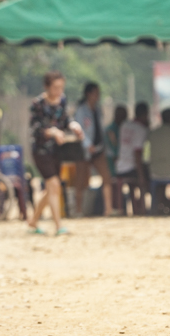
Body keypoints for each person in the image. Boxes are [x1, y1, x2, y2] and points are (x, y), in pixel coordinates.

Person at [27, 71, 82, 235]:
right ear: (47, 87)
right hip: (41, 151)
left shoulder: (62, 100)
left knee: (52, 187)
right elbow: (35, 128)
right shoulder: (37, 104)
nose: (59, 91)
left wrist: (74, 126)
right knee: (54, 185)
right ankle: (59, 227)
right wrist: (52, 132)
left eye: (61, 87)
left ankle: (33, 221)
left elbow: (66, 119)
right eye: (56, 87)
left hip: (57, 151)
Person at [72, 82, 114, 217]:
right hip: (83, 150)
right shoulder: (81, 110)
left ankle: (108, 209)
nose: (97, 96)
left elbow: (100, 128)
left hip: (98, 149)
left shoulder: (98, 109)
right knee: (80, 180)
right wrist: (87, 144)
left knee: (106, 177)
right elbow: (80, 129)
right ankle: (78, 210)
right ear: (88, 94)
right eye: (95, 93)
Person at [115, 102, 150, 216]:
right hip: (131, 167)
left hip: (120, 167)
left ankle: (136, 208)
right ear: (146, 115)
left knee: (133, 185)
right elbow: (137, 155)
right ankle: (143, 209)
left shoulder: (125, 125)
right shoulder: (140, 130)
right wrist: (141, 177)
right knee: (149, 176)